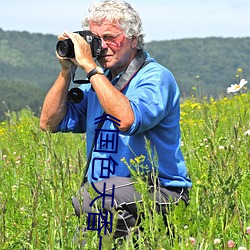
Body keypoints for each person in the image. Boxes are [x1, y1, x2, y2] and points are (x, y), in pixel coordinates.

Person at [40, 0, 192, 245]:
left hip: (160, 192)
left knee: (92, 197)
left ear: (133, 39)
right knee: (88, 241)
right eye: (96, 39)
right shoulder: (98, 83)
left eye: (110, 37)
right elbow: (49, 123)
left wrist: (90, 68)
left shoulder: (154, 77)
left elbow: (127, 120)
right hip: (108, 198)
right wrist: (66, 70)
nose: (102, 47)